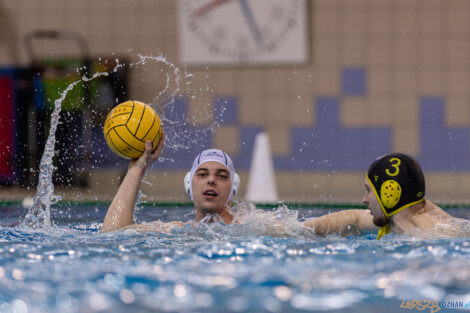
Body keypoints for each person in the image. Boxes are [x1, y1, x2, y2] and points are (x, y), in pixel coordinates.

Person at [304, 153, 470, 239]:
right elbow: (353, 219)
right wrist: (295, 229)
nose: (364, 199)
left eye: (369, 190)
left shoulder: (435, 236)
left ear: (390, 194)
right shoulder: (402, 218)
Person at [102, 131, 240, 232]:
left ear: (233, 187)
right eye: (202, 174)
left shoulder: (252, 225)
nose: (211, 180)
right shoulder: (177, 230)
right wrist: (135, 171)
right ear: (189, 186)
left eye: (222, 176)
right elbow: (111, 232)